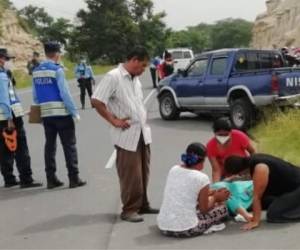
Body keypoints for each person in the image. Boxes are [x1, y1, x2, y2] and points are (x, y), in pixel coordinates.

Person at [91, 46, 158, 223]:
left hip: (142, 132)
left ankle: (143, 204)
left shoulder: (134, 79)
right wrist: (113, 120)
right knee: (131, 175)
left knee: (144, 171)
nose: (143, 70)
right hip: (126, 135)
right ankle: (129, 209)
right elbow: (97, 100)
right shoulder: (114, 77)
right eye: (142, 65)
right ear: (134, 60)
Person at [32, 41, 86, 189]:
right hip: (62, 114)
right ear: (57, 54)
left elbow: (35, 96)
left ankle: (51, 178)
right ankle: (74, 178)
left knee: (50, 146)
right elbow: (65, 94)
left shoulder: (36, 70)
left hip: (46, 115)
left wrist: (40, 111)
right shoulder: (57, 70)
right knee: (69, 145)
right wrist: (74, 112)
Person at [157, 143, 229, 238]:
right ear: (202, 161)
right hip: (186, 229)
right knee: (222, 209)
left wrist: (211, 193)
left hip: (163, 226)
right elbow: (204, 209)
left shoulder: (174, 169)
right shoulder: (202, 178)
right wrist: (216, 198)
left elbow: (187, 192)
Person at [0, 48, 42, 188]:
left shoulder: (5, 73)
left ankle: (9, 179)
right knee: (21, 148)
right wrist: (9, 118)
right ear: (1, 59)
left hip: (5, 116)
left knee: (5, 148)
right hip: (9, 116)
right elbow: (5, 99)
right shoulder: (1, 75)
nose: (9, 62)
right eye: (7, 59)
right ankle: (26, 178)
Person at [225, 154, 300, 230]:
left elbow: (257, 197)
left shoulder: (260, 168)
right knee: (264, 200)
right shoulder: (252, 160)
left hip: (297, 187)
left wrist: (255, 221)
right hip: (288, 187)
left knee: (273, 214)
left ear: (240, 172)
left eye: (238, 175)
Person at [206, 117, 256, 183]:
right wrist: (216, 186)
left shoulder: (239, 136)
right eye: (220, 135)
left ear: (230, 132)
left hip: (243, 171)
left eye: (226, 134)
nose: (223, 137)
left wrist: (251, 171)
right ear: (214, 133)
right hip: (225, 175)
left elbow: (253, 152)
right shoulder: (210, 146)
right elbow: (216, 170)